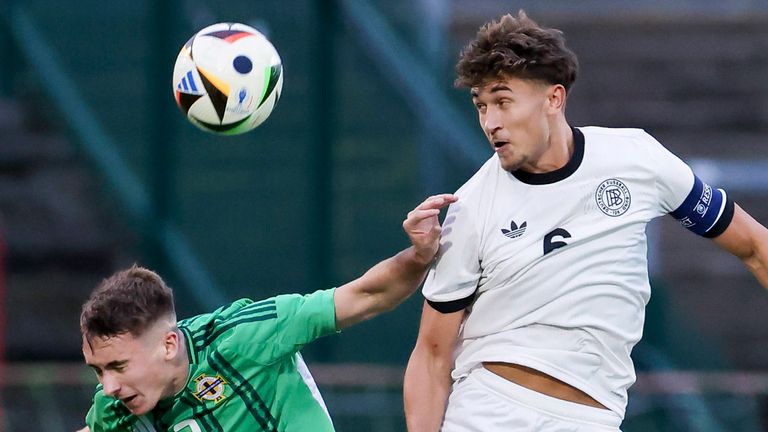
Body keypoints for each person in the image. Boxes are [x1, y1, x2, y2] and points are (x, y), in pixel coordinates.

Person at [403, 11, 768, 432]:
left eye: (503, 102)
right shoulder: (469, 205)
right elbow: (432, 354)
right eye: (481, 106)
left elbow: (754, 246)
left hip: (592, 419)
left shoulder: (637, 158)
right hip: (491, 411)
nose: (490, 122)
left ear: (554, 99)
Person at [76, 193, 457, 432]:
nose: (109, 386)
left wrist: (418, 256)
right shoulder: (113, 409)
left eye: (119, 366)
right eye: (99, 370)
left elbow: (367, 295)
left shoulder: (247, 338)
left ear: (169, 344)